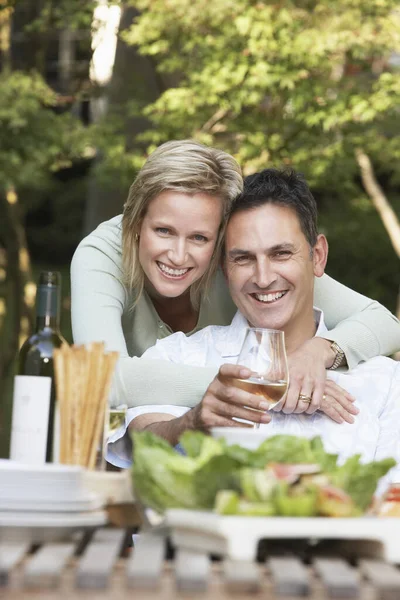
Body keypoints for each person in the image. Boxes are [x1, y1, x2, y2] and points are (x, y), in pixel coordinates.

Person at [71, 140, 400, 415]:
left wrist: (316, 353)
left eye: (200, 237)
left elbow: (382, 322)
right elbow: (105, 379)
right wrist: (269, 386)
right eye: (163, 231)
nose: (178, 255)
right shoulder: (102, 254)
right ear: (135, 223)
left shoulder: (245, 260)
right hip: (120, 429)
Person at [107, 168, 400, 476]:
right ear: (224, 267)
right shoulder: (177, 356)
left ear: (317, 256)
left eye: (281, 254)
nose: (263, 278)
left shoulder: (385, 382)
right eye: (243, 258)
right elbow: (140, 450)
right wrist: (190, 423)